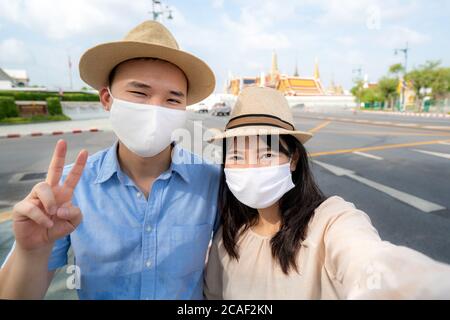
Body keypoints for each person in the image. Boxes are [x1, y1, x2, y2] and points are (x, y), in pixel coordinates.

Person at [0, 20, 220, 300]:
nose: (155, 109)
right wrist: (29, 252)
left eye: (173, 100)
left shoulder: (211, 181)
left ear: (185, 109)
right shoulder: (70, 188)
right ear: (107, 98)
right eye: (139, 92)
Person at [204, 86, 450, 299]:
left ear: (293, 159)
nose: (250, 168)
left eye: (266, 154)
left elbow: (367, 258)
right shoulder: (227, 238)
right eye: (236, 156)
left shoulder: (329, 222)